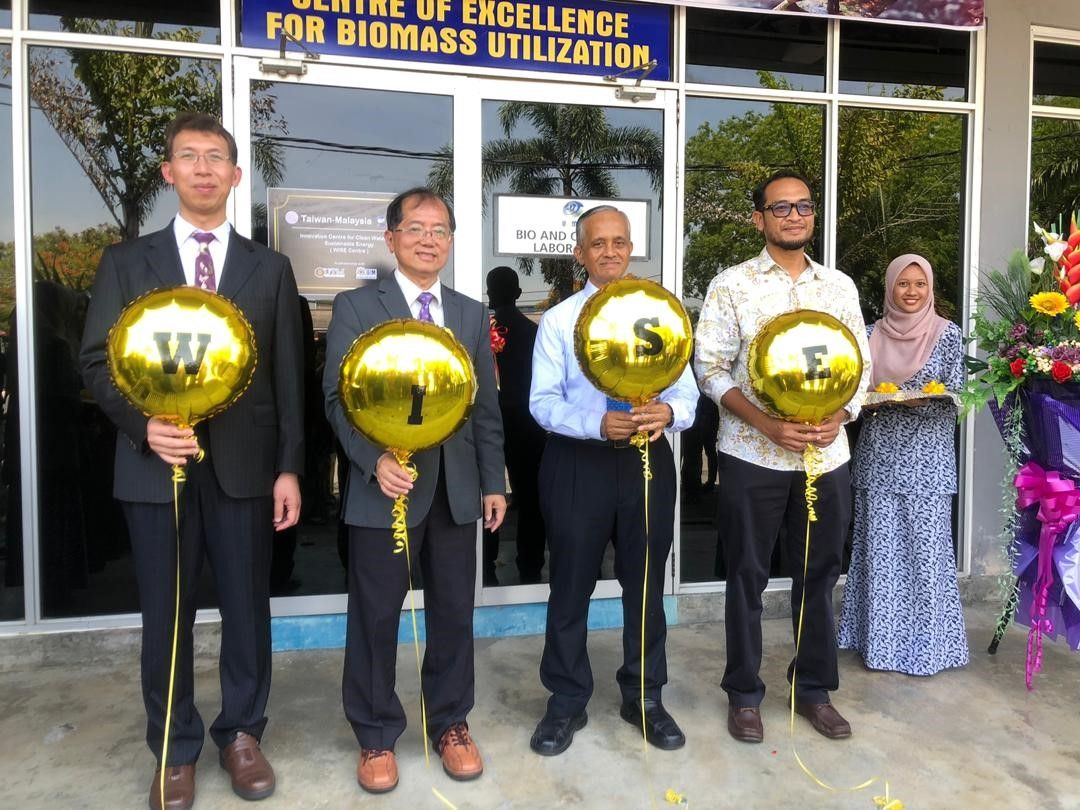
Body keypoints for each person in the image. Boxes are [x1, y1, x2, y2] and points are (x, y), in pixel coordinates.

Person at [80, 112, 304, 810]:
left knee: (247, 610)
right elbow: (95, 361)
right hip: (155, 470)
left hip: (246, 468)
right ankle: (174, 750)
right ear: (168, 172)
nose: (203, 168)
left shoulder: (269, 268)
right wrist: (145, 425)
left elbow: (290, 376)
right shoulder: (126, 261)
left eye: (216, 158)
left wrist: (291, 466)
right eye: (189, 156)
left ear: (236, 176)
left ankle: (241, 734)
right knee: (165, 615)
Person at [323, 187, 506, 794]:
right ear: (392, 237)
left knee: (454, 613)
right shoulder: (354, 306)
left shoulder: (471, 312)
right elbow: (335, 401)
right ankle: (375, 733)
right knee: (375, 616)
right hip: (384, 488)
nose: (429, 239)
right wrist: (371, 460)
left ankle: (451, 722)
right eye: (416, 228)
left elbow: (485, 408)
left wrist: (493, 480)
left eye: (441, 230)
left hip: (456, 490)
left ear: (451, 242)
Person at [694, 170, 870, 745]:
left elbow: (862, 369)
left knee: (819, 575)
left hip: (827, 455)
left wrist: (839, 416)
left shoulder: (839, 287)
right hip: (752, 455)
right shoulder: (731, 285)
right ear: (759, 218)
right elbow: (710, 370)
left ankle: (814, 688)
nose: (794, 216)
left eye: (803, 206)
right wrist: (769, 424)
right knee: (745, 575)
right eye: (781, 207)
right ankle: (744, 694)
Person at [528, 205, 699, 757]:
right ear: (580, 254)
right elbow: (541, 402)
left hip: (646, 461)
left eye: (619, 242)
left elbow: (688, 394)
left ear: (631, 250)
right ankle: (566, 700)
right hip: (580, 462)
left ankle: (644, 697)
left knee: (646, 584)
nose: (609, 252)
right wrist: (594, 423)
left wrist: (669, 415)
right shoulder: (559, 321)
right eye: (597, 243)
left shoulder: (660, 315)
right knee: (570, 585)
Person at [837, 254, 969, 675]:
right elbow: (854, 392)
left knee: (926, 556)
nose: (911, 292)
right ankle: (879, 646)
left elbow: (961, 396)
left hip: (928, 461)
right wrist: (871, 401)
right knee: (879, 554)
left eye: (919, 284)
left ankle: (931, 650)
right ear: (889, 287)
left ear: (930, 289)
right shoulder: (869, 333)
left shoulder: (948, 335)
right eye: (902, 284)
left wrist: (915, 401)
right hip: (878, 458)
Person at [487, 265, 547, 584]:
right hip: (527, 424)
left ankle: (486, 563)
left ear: (488, 293)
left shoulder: (479, 331)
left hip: (489, 426)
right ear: (519, 294)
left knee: (487, 491)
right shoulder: (533, 332)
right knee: (531, 499)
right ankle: (530, 563)